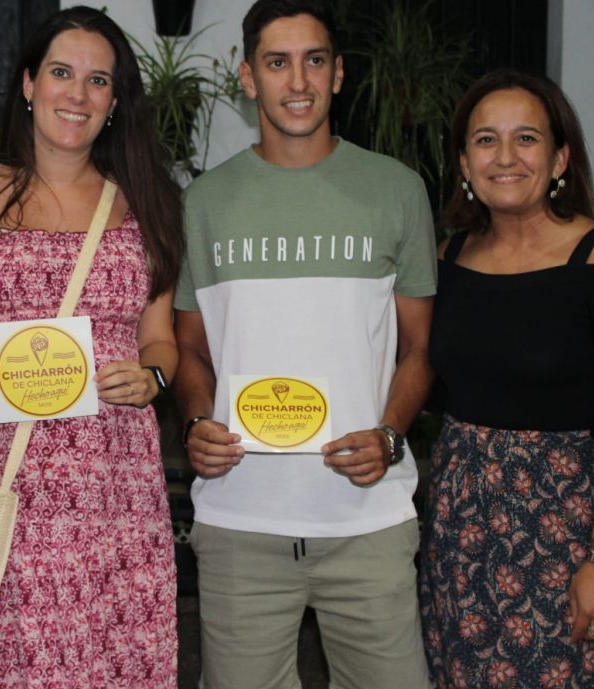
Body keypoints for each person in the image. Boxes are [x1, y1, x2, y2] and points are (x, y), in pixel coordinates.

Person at [0, 6, 182, 687]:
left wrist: (151, 380)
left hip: (114, 497)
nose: (76, 95)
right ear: (28, 83)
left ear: (115, 101)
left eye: (97, 81)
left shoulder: (146, 202)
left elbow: (161, 340)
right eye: (61, 72)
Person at [173, 1, 436, 687]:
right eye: (277, 61)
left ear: (339, 74)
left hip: (368, 519)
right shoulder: (205, 200)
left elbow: (421, 348)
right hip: (240, 518)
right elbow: (190, 344)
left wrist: (390, 433)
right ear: (248, 78)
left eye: (315, 60)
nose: (298, 80)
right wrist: (197, 421)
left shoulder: (398, 191)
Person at [418, 69, 594, 689]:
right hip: (461, 535)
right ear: (464, 161)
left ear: (561, 156)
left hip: (568, 536)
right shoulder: (449, 260)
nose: (506, 157)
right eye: (486, 140)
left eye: (527, 139)